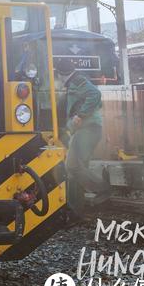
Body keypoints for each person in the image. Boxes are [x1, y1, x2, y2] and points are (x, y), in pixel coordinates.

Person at [57, 59, 112, 214]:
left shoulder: (78, 81)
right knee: (77, 169)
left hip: (88, 129)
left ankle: (103, 189)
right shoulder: (73, 83)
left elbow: (95, 94)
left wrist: (81, 115)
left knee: (72, 166)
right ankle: (76, 210)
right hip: (85, 130)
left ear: (61, 74)